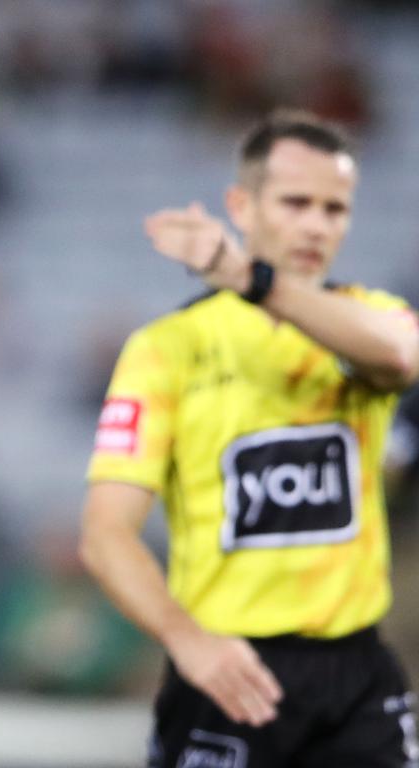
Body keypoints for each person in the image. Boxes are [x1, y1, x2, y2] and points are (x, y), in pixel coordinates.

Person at [79, 110, 419, 767]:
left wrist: (253, 280)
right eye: (297, 202)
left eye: (335, 208)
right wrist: (187, 641)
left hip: (355, 672)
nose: (317, 225)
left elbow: (401, 358)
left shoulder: (370, 319)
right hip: (227, 670)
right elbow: (105, 534)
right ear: (242, 204)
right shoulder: (168, 349)